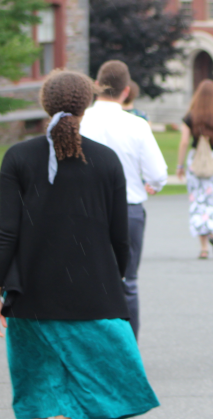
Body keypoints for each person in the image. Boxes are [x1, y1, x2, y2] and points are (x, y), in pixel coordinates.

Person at [0, 70, 159, 419]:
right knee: (101, 392)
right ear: (88, 104)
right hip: (94, 295)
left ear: (44, 103)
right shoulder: (107, 160)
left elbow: (7, 232)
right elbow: (119, 237)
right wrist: (117, 279)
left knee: (44, 394)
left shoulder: (17, 157)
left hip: (30, 296)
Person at [81, 60, 169, 339]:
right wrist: (152, 185)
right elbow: (158, 173)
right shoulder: (137, 125)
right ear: (126, 90)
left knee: (88, 281)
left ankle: (92, 346)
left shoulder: (81, 121)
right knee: (127, 282)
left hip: (86, 210)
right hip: (127, 209)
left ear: (96, 86)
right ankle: (128, 348)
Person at [176, 79, 213, 259]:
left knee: (198, 201)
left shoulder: (190, 116)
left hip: (196, 160)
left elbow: (185, 141)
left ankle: (203, 247)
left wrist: (180, 165)